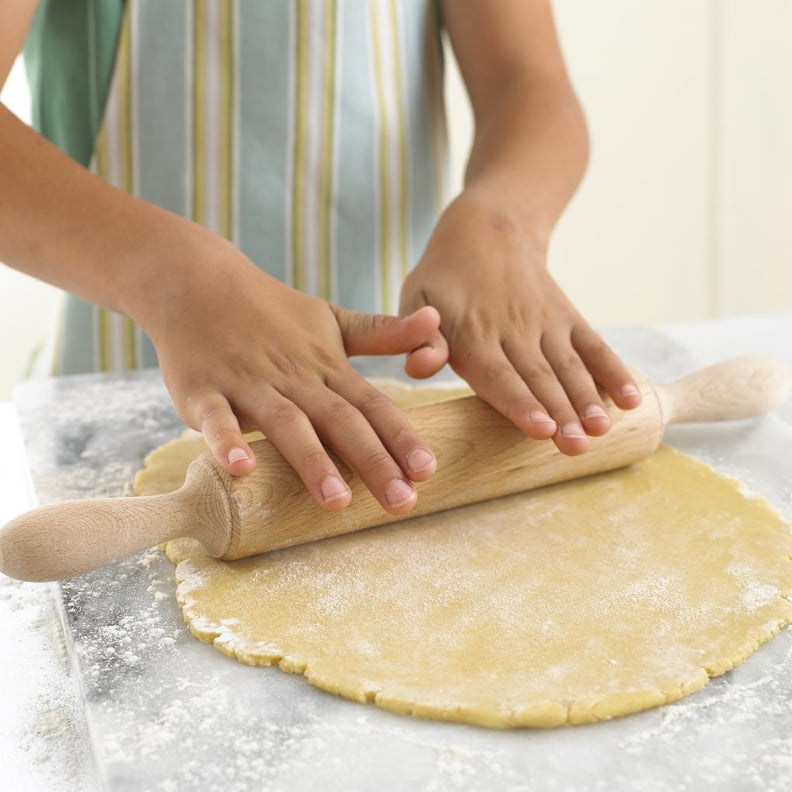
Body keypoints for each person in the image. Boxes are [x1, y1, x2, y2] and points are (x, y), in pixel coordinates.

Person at [0, 0, 640, 517]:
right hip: (124, 397)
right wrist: (173, 275)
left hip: (411, 404)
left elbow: (529, 81)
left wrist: (504, 221)